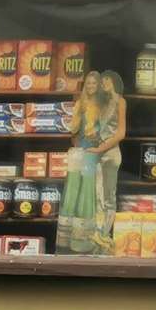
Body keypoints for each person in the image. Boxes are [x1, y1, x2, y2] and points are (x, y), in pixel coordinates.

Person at [56, 70, 103, 254]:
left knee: (89, 189)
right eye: (88, 84)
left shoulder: (103, 105)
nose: (91, 86)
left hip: (96, 150)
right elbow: (73, 129)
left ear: (99, 86)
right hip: (81, 148)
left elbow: (107, 129)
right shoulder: (80, 104)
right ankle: (67, 239)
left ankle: (85, 239)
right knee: (73, 187)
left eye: (94, 83)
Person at [92, 70, 127, 242]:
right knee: (96, 195)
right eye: (102, 80)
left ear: (114, 81)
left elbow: (121, 133)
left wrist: (101, 148)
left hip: (111, 153)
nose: (103, 83)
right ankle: (97, 233)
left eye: (106, 79)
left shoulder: (120, 101)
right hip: (98, 152)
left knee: (109, 196)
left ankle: (105, 233)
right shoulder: (102, 103)